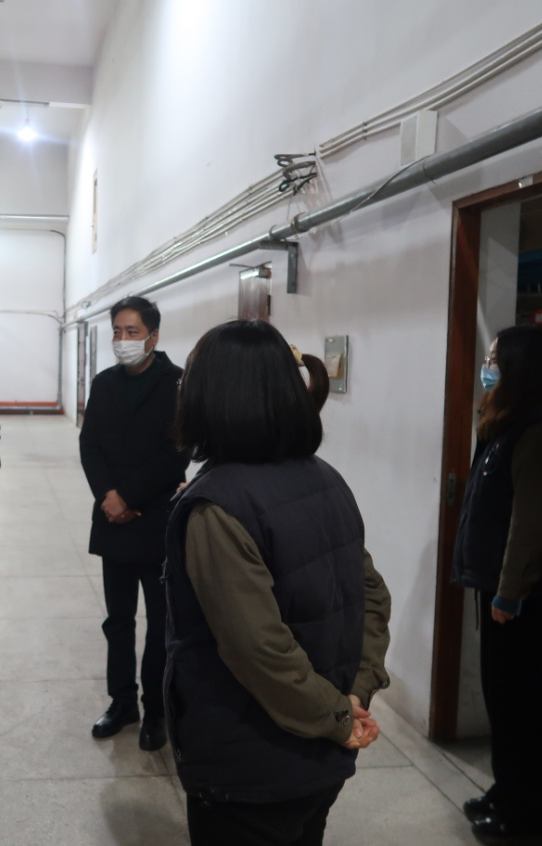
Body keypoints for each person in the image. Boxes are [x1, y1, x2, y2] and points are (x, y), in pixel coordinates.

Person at [165, 320, 392, 846]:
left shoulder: (217, 507)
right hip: (320, 758)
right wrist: (354, 696)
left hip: (250, 766)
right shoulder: (326, 478)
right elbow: (372, 599)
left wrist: (340, 715)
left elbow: (260, 649)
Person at [452, 324, 542, 846]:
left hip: (522, 598)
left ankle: (525, 820)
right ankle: (506, 793)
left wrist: (509, 591)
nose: (488, 365)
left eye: (496, 358)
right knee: (501, 700)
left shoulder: (540, 429)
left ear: (519, 367)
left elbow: (533, 520)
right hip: (499, 588)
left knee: (523, 709)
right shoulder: (507, 420)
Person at [79, 296, 188, 750]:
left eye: (132, 332)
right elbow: (90, 445)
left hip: (156, 520)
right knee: (118, 621)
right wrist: (108, 496)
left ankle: (156, 711)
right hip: (113, 521)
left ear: (153, 336)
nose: (123, 340)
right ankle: (122, 702)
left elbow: (176, 452)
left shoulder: (178, 384)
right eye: (117, 332)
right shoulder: (104, 383)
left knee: (161, 625)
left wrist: (129, 496)